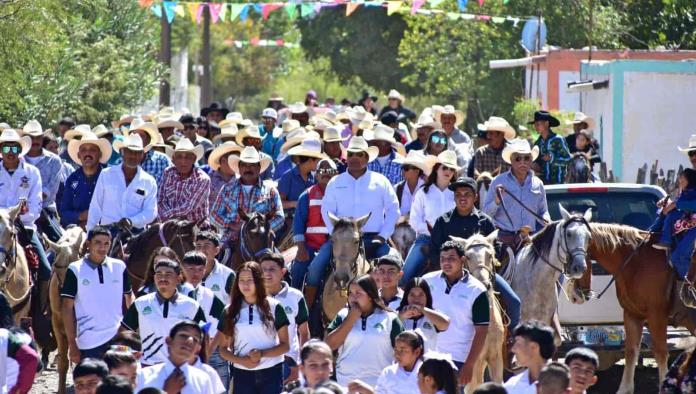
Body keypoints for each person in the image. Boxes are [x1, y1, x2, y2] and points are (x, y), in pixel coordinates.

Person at [304, 136, 399, 308]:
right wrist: (336, 235)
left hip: (374, 239)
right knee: (315, 268)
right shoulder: (335, 181)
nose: (354, 158)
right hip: (341, 241)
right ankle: (308, 314)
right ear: (346, 157)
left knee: (396, 264)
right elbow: (326, 210)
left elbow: (394, 210)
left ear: (367, 158)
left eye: (359, 154)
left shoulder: (381, 181)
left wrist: (383, 236)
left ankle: (395, 307)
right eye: (351, 154)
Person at [429, 176, 521, 329]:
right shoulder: (443, 222)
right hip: (450, 277)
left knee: (514, 302)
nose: (462, 198)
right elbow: (433, 251)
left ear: (475, 197)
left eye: (467, 194)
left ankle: (510, 340)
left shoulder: (485, 221)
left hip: (483, 274)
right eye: (458, 195)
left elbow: (497, 248)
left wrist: (485, 263)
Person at [215, 261, 291, 394]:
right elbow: (222, 349)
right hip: (242, 374)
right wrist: (241, 361)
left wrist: (262, 354)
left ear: (258, 281)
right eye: (241, 280)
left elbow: (285, 346)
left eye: (250, 280)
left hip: (272, 372)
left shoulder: (274, 307)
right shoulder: (229, 311)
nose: (245, 284)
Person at [61, 226, 134, 361]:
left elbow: (130, 298)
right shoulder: (75, 269)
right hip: (89, 342)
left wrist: (132, 329)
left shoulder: (120, 266)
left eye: (106, 243)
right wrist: (72, 343)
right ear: (88, 244)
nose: (102, 247)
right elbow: (66, 308)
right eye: (98, 242)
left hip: (118, 340)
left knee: (120, 380)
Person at [424, 241, 489, 386]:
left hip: (458, 360)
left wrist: (469, 365)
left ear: (463, 260)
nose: (446, 263)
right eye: (442, 259)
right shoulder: (426, 281)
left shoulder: (477, 290)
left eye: (451, 259)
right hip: (427, 356)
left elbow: (482, 331)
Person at [0, 129, 52, 311]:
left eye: (14, 148)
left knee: (45, 270)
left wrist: (18, 218)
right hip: (0, 227)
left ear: (20, 149)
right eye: (6, 149)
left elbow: (36, 205)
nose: (11, 153)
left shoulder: (32, 172)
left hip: (24, 227)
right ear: (1, 151)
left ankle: (38, 311)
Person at [121, 259, 206, 366]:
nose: (163, 278)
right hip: (148, 368)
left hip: (180, 369)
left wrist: (200, 364)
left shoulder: (192, 306)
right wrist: (131, 353)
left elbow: (204, 336)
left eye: (168, 274)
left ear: (179, 278)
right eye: (159, 274)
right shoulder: (141, 303)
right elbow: (123, 333)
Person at [325, 274, 404, 387]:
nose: (353, 298)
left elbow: (403, 350)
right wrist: (351, 318)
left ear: (370, 296)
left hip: (380, 386)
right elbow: (329, 346)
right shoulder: (342, 316)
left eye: (358, 293)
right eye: (350, 293)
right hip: (346, 384)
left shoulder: (390, 318)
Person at [402, 151, 458, 284]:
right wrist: (434, 231)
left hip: (452, 242)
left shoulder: (457, 194)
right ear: (436, 168)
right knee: (404, 275)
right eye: (445, 167)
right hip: (425, 240)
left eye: (452, 169)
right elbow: (414, 221)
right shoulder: (423, 192)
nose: (448, 171)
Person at [210, 146, 284, 244]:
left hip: (261, 241)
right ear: (239, 168)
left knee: (276, 258)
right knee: (217, 257)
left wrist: (259, 229)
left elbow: (280, 217)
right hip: (231, 239)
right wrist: (231, 224)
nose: (248, 168)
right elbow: (214, 215)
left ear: (259, 168)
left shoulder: (270, 190)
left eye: (252, 165)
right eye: (244, 165)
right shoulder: (227, 189)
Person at [483, 138, 550, 247]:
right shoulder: (498, 181)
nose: (523, 162)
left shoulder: (538, 184)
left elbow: (543, 211)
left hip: (529, 240)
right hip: (503, 240)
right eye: (518, 158)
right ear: (511, 160)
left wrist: (547, 221)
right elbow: (485, 214)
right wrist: (496, 202)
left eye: (527, 158)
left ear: (531, 160)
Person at [87, 133, 158, 235]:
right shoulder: (106, 174)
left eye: (137, 152)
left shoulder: (149, 181)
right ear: (122, 152)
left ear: (142, 155)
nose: (133, 156)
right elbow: (95, 207)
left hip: (135, 234)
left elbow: (151, 212)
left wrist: (131, 221)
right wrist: (90, 234)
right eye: (130, 151)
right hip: (108, 232)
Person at [260, 252, 310, 383]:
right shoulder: (252, 297)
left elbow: (303, 332)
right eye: (263, 269)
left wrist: (302, 361)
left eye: (272, 269)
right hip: (258, 360)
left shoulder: (296, 296)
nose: (267, 273)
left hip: (287, 361)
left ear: (283, 272)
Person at [291, 158, 338, 290]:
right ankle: (297, 299)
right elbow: (299, 224)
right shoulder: (306, 196)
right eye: (321, 170)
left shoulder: (341, 195)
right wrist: (301, 248)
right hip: (310, 245)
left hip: (335, 245)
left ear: (336, 174)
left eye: (329, 170)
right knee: (298, 269)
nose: (325, 173)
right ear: (316, 174)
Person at [135, 320, 215, 394]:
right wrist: (166, 392)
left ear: (198, 349)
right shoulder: (143, 376)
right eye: (184, 335)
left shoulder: (203, 380)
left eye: (195, 339)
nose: (190, 341)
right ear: (169, 341)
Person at [21, 119, 64, 242]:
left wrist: (32, 203)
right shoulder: (18, 160)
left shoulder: (54, 160)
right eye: (31, 138)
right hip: (19, 211)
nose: (35, 141)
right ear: (25, 139)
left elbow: (50, 190)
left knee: (61, 244)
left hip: (46, 212)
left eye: (38, 137)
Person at [60, 131, 111, 228]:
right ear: (79, 155)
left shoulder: (109, 178)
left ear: (99, 154)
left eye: (92, 150)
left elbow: (115, 210)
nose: (87, 153)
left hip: (105, 230)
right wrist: (80, 216)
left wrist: (92, 220)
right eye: (83, 150)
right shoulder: (72, 179)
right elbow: (64, 213)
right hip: (77, 229)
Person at [157, 138, 211, 223]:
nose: (183, 161)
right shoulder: (168, 172)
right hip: (168, 226)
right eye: (179, 157)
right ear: (173, 160)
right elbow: (160, 200)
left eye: (188, 157)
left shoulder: (202, 179)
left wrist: (165, 216)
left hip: (196, 227)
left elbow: (188, 207)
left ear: (194, 160)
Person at [397, 278, 450, 352]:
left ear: (427, 296)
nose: (416, 299)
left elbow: (445, 324)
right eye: (412, 294)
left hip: (427, 362)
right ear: (406, 296)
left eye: (421, 294)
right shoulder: (398, 314)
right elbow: (388, 329)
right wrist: (402, 317)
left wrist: (422, 309)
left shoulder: (433, 315)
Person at [504, 321, 556, 394]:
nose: (513, 349)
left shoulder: (561, 386)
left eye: (518, 343)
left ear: (533, 347)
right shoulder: (511, 386)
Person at [279, 138, 323, 215]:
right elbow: (278, 204)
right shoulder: (288, 177)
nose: (320, 163)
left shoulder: (315, 178)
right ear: (310, 160)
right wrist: (295, 203)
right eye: (318, 160)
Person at [193, 231, 236, 304]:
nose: (202, 250)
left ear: (216, 250)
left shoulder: (228, 275)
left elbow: (236, 303)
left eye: (207, 246)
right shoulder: (186, 275)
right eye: (198, 246)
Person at [530, 111, 571, 185]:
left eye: (538, 124)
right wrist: (533, 165)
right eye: (535, 125)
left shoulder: (558, 140)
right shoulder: (537, 143)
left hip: (559, 184)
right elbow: (538, 163)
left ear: (546, 123)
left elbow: (568, 159)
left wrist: (552, 159)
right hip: (543, 185)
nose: (536, 127)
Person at [127, 118, 172, 184]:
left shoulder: (163, 160)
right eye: (134, 135)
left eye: (141, 136)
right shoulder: (122, 160)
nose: (137, 138)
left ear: (148, 139)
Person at [206, 141, 242, 209]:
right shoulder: (208, 180)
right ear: (223, 160)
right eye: (234, 160)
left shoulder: (242, 181)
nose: (237, 164)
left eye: (238, 161)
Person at [394, 150, 427, 216]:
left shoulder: (427, 189)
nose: (403, 171)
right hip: (400, 226)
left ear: (417, 171)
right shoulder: (397, 188)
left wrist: (405, 218)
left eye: (406, 168)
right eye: (402, 167)